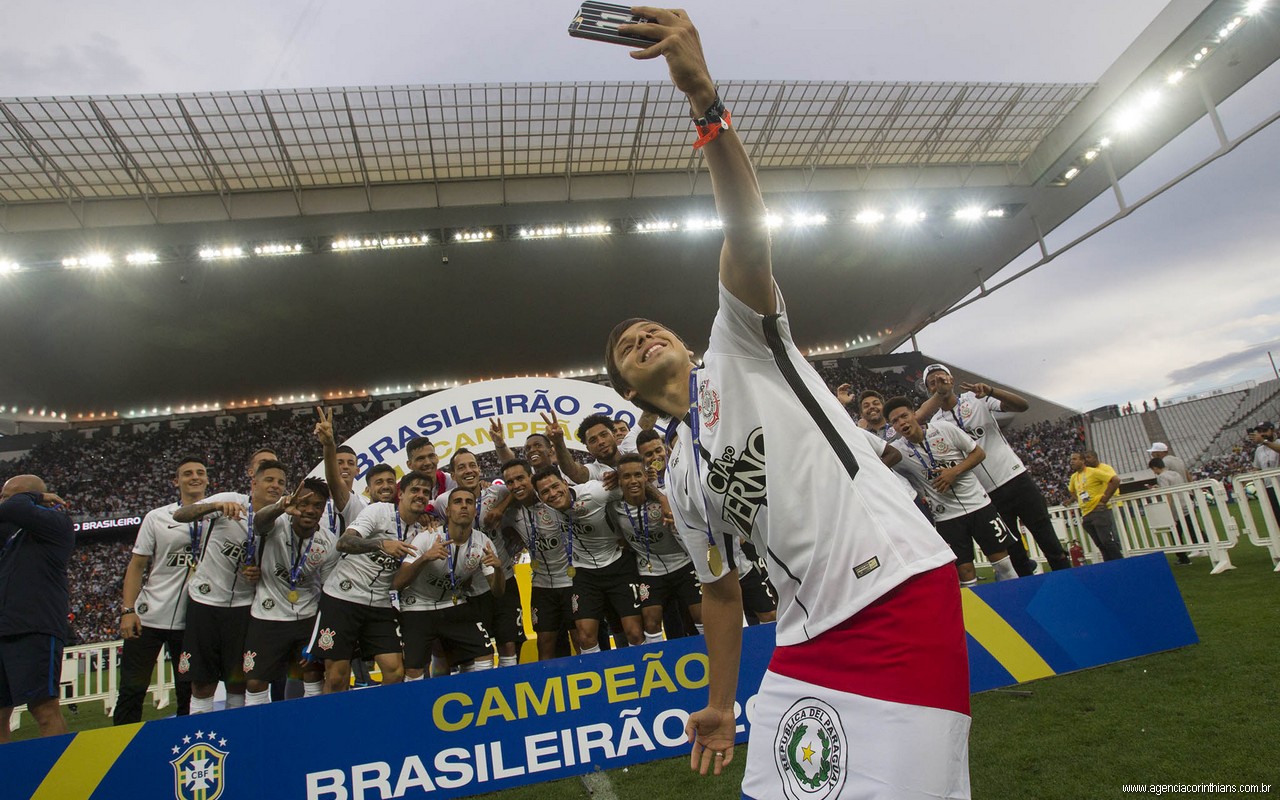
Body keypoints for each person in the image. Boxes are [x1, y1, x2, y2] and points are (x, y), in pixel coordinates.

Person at [602, 9, 968, 796]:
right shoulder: (679, 481)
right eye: (624, 346)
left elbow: (749, 233)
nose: (639, 335)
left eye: (649, 327)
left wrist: (706, 105)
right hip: (803, 637)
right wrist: (719, 703)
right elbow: (720, 589)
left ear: (684, 342)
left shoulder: (739, 345)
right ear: (627, 390)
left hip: (894, 588)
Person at [917, 365, 1071, 573]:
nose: (939, 384)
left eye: (941, 379)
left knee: (1049, 541)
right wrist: (939, 395)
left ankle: (1071, 588)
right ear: (928, 390)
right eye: (932, 383)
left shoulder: (975, 398)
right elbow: (917, 419)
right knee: (1015, 554)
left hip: (1015, 478)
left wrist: (991, 391)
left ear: (952, 380)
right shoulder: (936, 423)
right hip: (987, 495)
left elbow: (1022, 406)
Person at [172, 453, 286, 713]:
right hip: (206, 602)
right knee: (202, 682)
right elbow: (181, 515)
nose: (275, 486)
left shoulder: (280, 521)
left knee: (238, 682)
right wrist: (213, 506)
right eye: (269, 479)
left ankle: (235, 737)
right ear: (253, 483)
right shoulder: (230, 500)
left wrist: (259, 573)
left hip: (245, 607)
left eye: (280, 482)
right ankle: (199, 734)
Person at [884, 398, 1020, 585]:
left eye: (904, 416)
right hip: (947, 518)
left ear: (914, 414)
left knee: (1003, 565)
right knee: (965, 575)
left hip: (979, 505)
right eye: (895, 421)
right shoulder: (898, 452)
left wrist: (953, 472)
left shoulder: (944, 428)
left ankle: (1013, 607)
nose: (901, 422)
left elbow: (978, 453)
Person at [311, 471, 426, 692]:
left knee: (394, 671)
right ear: (400, 494)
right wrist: (381, 544)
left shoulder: (421, 530)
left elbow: (398, 581)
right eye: (414, 490)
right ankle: (331, 724)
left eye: (425, 492)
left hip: (379, 603)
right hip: (342, 598)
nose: (420, 495)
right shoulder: (378, 511)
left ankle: (380, 722)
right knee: (336, 677)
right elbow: (344, 542)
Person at [113, 456, 207, 725]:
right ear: (176, 481)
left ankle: (183, 745)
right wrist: (128, 610)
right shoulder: (157, 517)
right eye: (187, 473)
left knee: (187, 692)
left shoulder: (217, 516)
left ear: (208, 480)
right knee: (132, 690)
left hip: (191, 621)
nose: (195, 477)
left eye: (200, 472)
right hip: (149, 616)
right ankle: (120, 748)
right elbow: (137, 565)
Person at [242, 478, 339, 704]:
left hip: (306, 618)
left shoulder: (328, 542)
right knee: (255, 681)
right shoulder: (276, 525)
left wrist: (318, 634)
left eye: (317, 505)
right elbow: (258, 522)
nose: (310, 510)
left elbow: (328, 591)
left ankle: (313, 729)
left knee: (313, 676)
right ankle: (260, 732)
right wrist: (280, 506)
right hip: (267, 617)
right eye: (304, 503)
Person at [532, 468, 646, 652]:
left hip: (617, 564)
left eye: (555, 486)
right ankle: (598, 678)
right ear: (539, 497)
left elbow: (634, 488)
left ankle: (645, 673)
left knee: (633, 632)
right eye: (545, 492)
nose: (552, 494)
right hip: (584, 573)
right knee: (584, 637)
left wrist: (622, 474)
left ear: (564, 482)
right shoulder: (545, 510)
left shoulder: (595, 492)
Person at [394, 487, 503, 675]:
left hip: (453, 605)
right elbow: (397, 584)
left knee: (485, 653)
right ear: (447, 511)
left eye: (469, 502)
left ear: (475, 511)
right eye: (457, 502)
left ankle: (478, 698)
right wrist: (425, 558)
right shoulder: (427, 537)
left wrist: (499, 569)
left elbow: (498, 592)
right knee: (413, 670)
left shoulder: (482, 542)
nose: (464, 506)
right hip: (418, 607)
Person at [0, 475, 73, 743]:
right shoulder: (11, 532)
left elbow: (15, 508)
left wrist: (33, 497)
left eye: (6, 495)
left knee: (43, 708)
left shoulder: (56, 523)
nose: (2, 503)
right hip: (4, 628)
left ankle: (59, 776)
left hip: (35, 627)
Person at [609, 453, 702, 642]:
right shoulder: (613, 507)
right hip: (649, 572)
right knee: (650, 622)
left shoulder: (666, 501)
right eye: (626, 476)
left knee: (701, 615)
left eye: (637, 475)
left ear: (646, 477)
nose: (633, 481)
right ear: (619, 481)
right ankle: (655, 663)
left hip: (682, 564)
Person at [1068, 452, 1124, 561]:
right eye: (1071, 459)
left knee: (1107, 541)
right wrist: (1079, 500)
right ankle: (1109, 565)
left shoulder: (1093, 472)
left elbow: (1115, 480)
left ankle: (1120, 563)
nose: (1072, 462)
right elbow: (1071, 491)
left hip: (1098, 511)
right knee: (1100, 544)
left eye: (1075, 459)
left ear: (1083, 460)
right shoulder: (1074, 477)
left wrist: (1104, 499)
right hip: (1086, 513)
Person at [1149, 458, 1199, 566]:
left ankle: (1183, 558)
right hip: (1186, 503)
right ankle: (1207, 548)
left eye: (1153, 469)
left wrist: (1167, 508)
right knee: (1193, 529)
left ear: (1155, 468)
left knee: (1175, 533)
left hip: (1177, 508)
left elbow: (1168, 493)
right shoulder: (1175, 474)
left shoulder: (1161, 477)